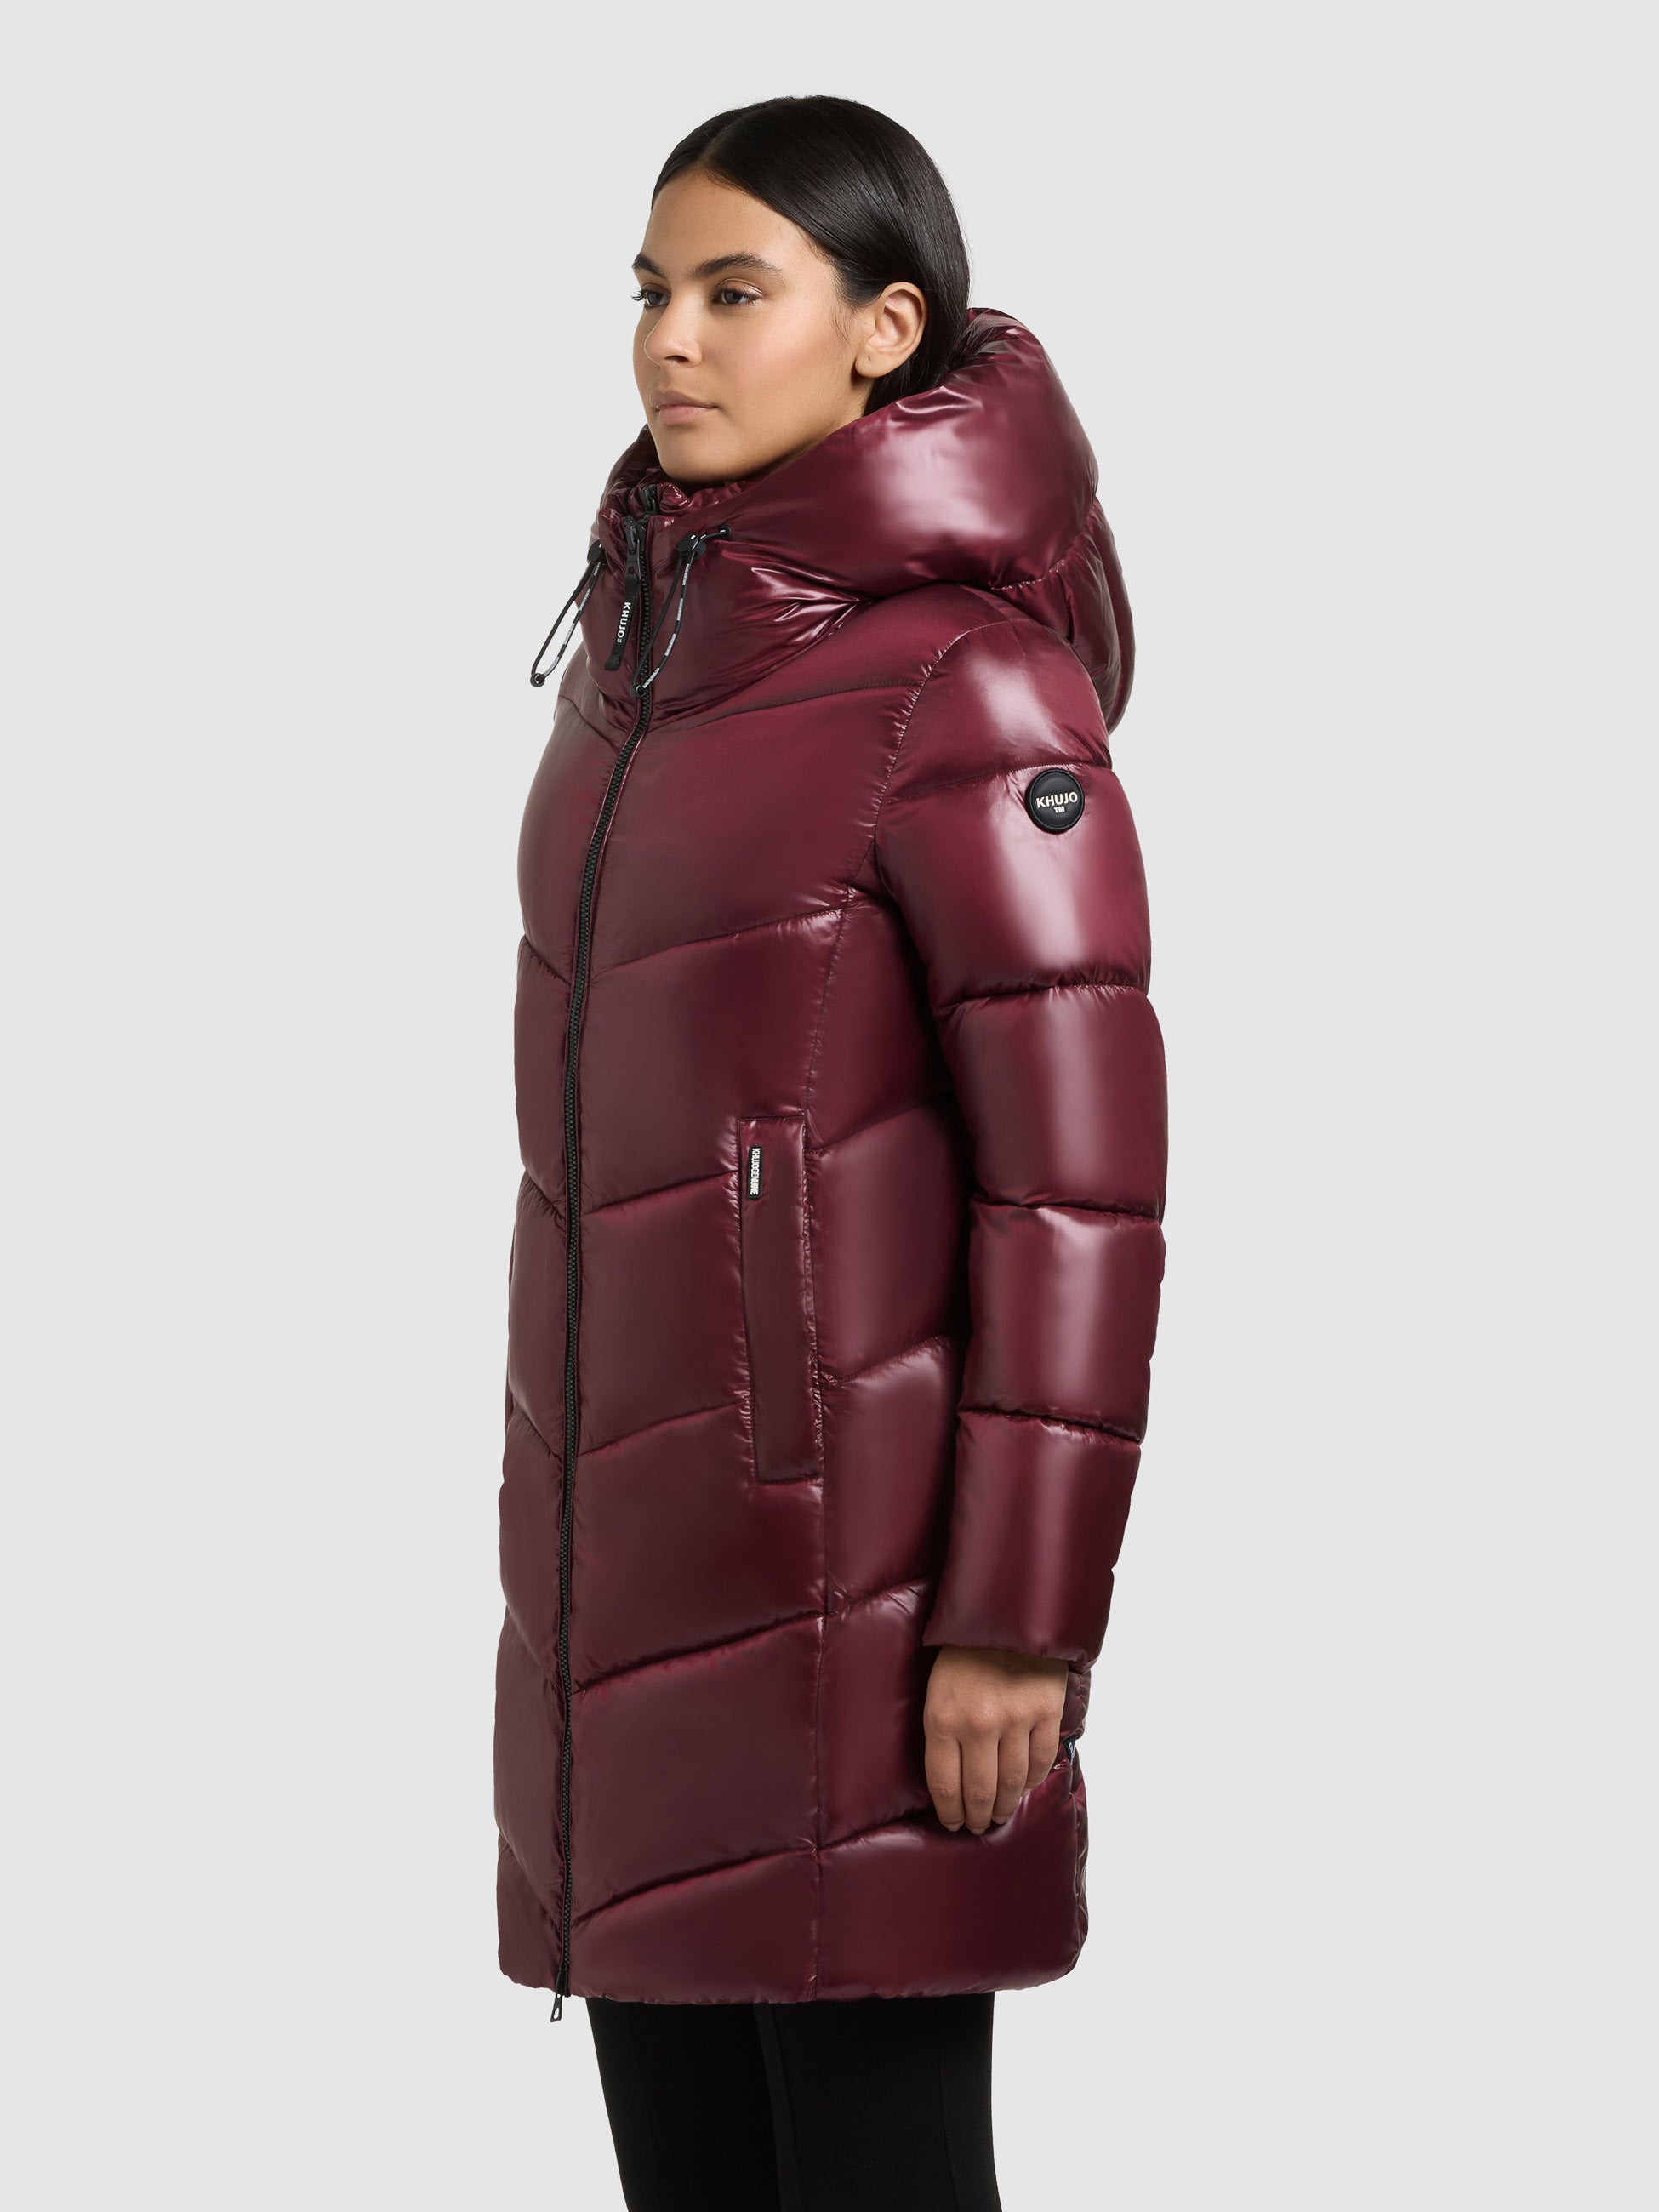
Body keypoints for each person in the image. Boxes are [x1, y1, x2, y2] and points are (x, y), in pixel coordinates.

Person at [497, 94, 1169, 2211]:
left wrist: (1021, 1620)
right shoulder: (635, 675)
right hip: (634, 1587)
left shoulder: (972, 693)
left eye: (734, 290)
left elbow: (1079, 1195)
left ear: (884, 331)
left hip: (867, 1605)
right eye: (650, 290)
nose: (670, 340)